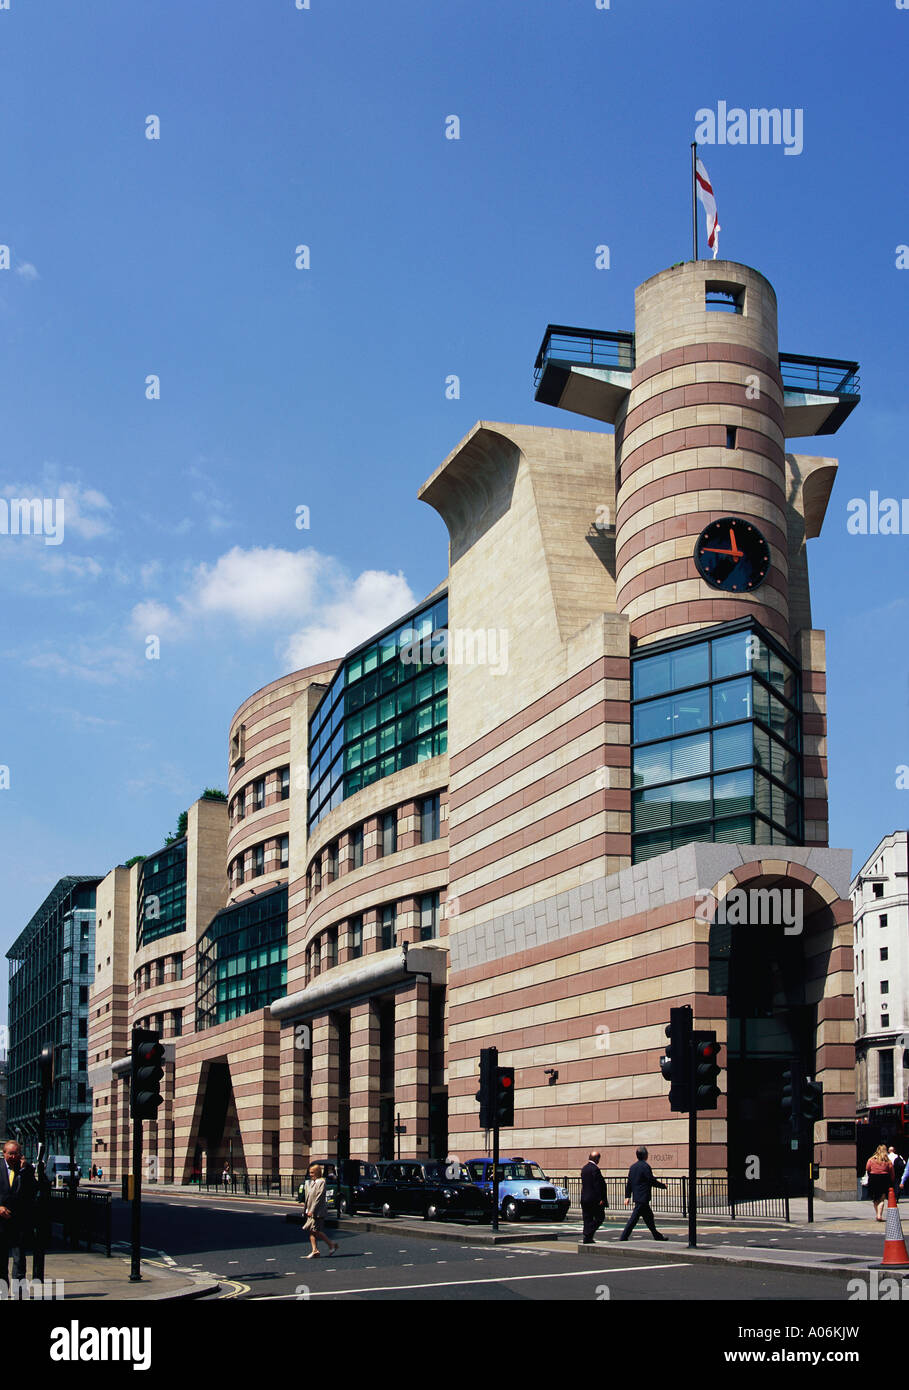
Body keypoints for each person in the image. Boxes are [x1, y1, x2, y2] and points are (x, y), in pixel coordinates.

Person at [0, 1140, 38, 1289]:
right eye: (11, 1153)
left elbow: (33, 1191)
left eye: (17, 1153)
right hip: (1, 1223)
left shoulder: (26, 1170)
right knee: (1, 1261)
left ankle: (19, 1292)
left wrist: (24, 1171)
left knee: (19, 1260)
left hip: (18, 1223)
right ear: (4, 1154)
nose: (14, 1157)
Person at [620, 1145, 667, 1241]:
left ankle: (657, 1236)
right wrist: (662, 1186)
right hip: (643, 1197)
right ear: (645, 1155)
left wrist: (627, 1196)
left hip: (638, 1196)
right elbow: (650, 1180)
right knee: (634, 1219)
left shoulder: (633, 1167)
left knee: (649, 1217)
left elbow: (629, 1182)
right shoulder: (645, 1166)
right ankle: (623, 1237)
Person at [303, 1164, 338, 1259]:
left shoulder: (321, 1182)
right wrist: (306, 1209)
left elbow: (318, 1198)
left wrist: (312, 1210)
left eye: (312, 1172)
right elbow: (309, 1197)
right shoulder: (312, 1182)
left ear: (318, 1172)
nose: (310, 1174)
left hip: (318, 1212)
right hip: (311, 1211)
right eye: (310, 1172)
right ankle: (315, 1250)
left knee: (316, 1231)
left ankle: (331, 1244)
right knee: (312, 1231)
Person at [580, 1151, 609, 1244]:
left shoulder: (584, 1168)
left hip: (585, 1198)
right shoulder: (595, 1169)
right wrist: (600, 1198)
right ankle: (588, 1233)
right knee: (600, 1217)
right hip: (593, 1199)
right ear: (597, 1159)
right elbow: (597, 1185)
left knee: (587, 1218)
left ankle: (587, 1238)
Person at [864, 1144, 894, 1221]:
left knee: (875, 1199)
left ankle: (878, 1214)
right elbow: (891, 1172)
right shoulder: (888, 1161)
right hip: (884, 1179)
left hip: (873, 1179)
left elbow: (867, 1168)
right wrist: (892, 1181)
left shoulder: (871, 1159)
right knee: (881, 1199)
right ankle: (879, 1215)